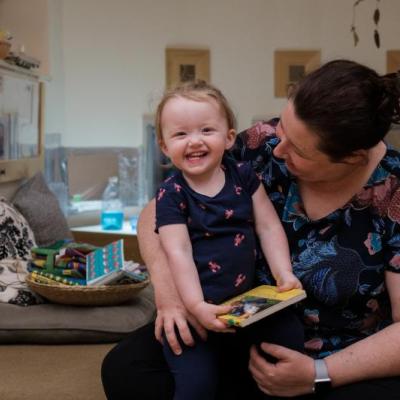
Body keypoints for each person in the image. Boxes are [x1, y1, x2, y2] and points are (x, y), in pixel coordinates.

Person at [102, 59, 400, 400]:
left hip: (337, 357)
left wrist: (318, 374)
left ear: (351, 158)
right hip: (232, 321)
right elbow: (155, 215)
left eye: (298, 150)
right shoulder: (259, 143)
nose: (278, 148)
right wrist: (170, 297)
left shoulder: (394, 193)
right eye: (283, 129)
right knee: (127, 369)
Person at [154, 80, 302, 400]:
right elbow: (176, 251)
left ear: (229, 137)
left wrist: (283, 273)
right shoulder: (171, 194)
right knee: (197, 387)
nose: (194, 141)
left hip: (245, 306)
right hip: (197, 314)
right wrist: (195, 306)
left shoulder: (243, 175)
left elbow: (268, 227)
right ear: (165, 146)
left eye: (206, 130)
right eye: (180, 134)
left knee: (289, 330)